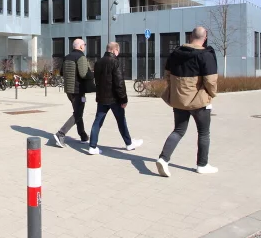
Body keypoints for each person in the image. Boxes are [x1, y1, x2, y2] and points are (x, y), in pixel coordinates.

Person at [156, 26, 219, 176]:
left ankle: (163, 159)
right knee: (203, 132)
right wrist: (212, 94)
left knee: (178, 130)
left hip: (179, 101)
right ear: (205, 38)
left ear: (190, 36)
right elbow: (210, 81)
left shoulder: (175, 53)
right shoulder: (206, 55)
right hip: (199, 101)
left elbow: (167, 75)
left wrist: (175, 91)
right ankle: (202, 165)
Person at [87, 42, 143, 155]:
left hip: (102, 98)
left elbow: (97, 81)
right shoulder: (115, 62)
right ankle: (129, 144)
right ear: (114, 50)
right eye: (118, 51)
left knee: (97, 121)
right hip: (114, 99)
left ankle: (92, 146)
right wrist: (124, 99)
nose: (118, 53)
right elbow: (119, 83)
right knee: (121, 121)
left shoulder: (98, 62)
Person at [54, 38, 90, 147]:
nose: (85, 46)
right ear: (80, 46)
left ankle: (83, 135)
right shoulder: (81, 57)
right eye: (84, 44)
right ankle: (61, 133)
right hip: (78, 90)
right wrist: (91, 74)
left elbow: (61, 72)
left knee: (77, 112)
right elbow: (84, 74)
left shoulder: (67, 57)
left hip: (69, 90)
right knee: (78, 113)